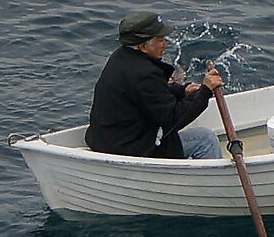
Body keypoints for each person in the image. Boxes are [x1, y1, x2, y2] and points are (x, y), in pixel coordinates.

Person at [86, 11, 226, 159]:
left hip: (105, 141)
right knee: (206, 139)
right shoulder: (145, 74)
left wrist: (182, 91)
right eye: (160, 40)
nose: (165, 44)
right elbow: (173, 120)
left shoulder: (120, 58)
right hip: (130, 149)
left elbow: (148, 94)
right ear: (143, 46)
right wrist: (205, 91)